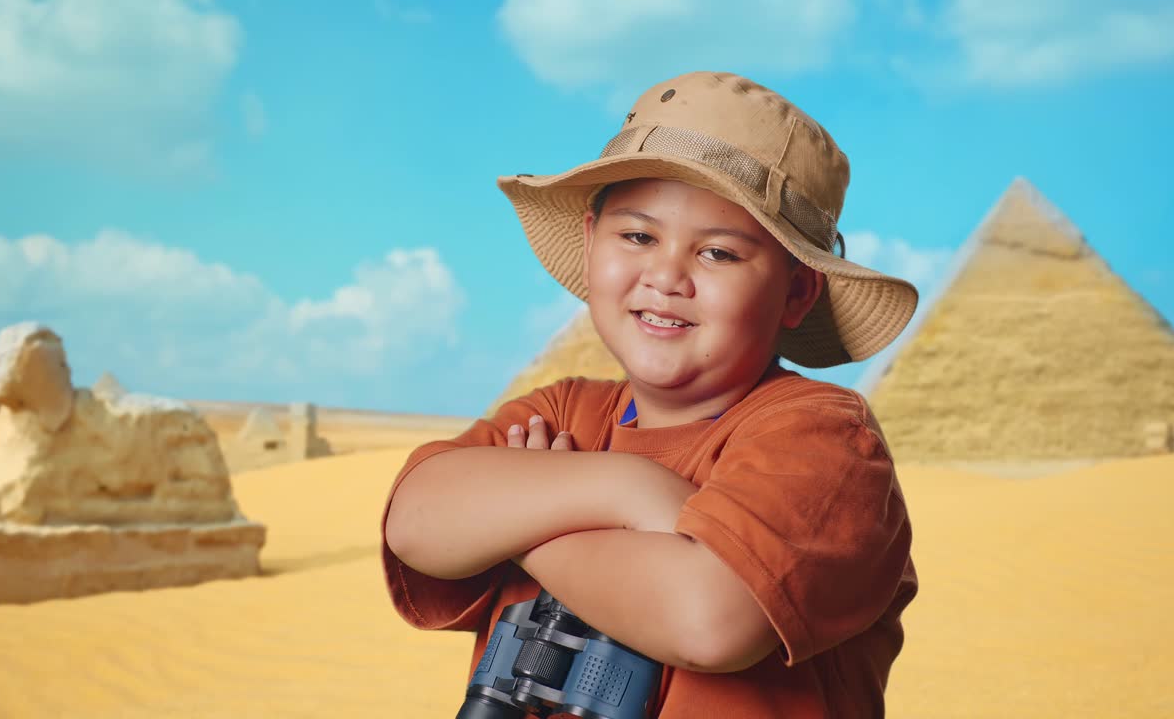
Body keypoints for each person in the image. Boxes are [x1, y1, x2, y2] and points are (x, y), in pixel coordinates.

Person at [381, 71, 920, 718]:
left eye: (719, 253)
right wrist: (623, 488)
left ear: (798, 292)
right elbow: (415, 524)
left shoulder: (826, 441)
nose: (666, 276)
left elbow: (709, 621)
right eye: (638, 237)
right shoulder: (559, 411)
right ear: (590, 242)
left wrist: (524, 521)